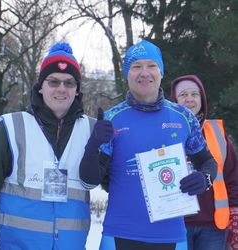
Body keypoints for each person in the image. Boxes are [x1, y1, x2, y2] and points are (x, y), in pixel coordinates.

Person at [0, 42, 113, 250]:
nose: (61, 88)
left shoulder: (92, 130)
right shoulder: (13, 126)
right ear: (41, 87)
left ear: (77, 90)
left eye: (69, 83)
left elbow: (114, 182)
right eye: (53, 81)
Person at [79, 40, 218, 250]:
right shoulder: (111, 119)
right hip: (119, 235)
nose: (144, 72)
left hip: (172, 236)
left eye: (151, 65)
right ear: (127, 74)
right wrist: (92, 146)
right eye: (136, 67)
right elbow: (90, 179)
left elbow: (208, 162)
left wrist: (204, 178)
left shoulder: (184, 118)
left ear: (161, 71)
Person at [170, 74, 238, 250]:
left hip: (213, 225)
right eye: (184, 94)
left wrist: (235, 213)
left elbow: (232, 176)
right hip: (175, 224)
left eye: (195, 94)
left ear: (202, 99)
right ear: (174, 100)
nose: (190, 99)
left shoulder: (217, 132)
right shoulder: (164, 131)